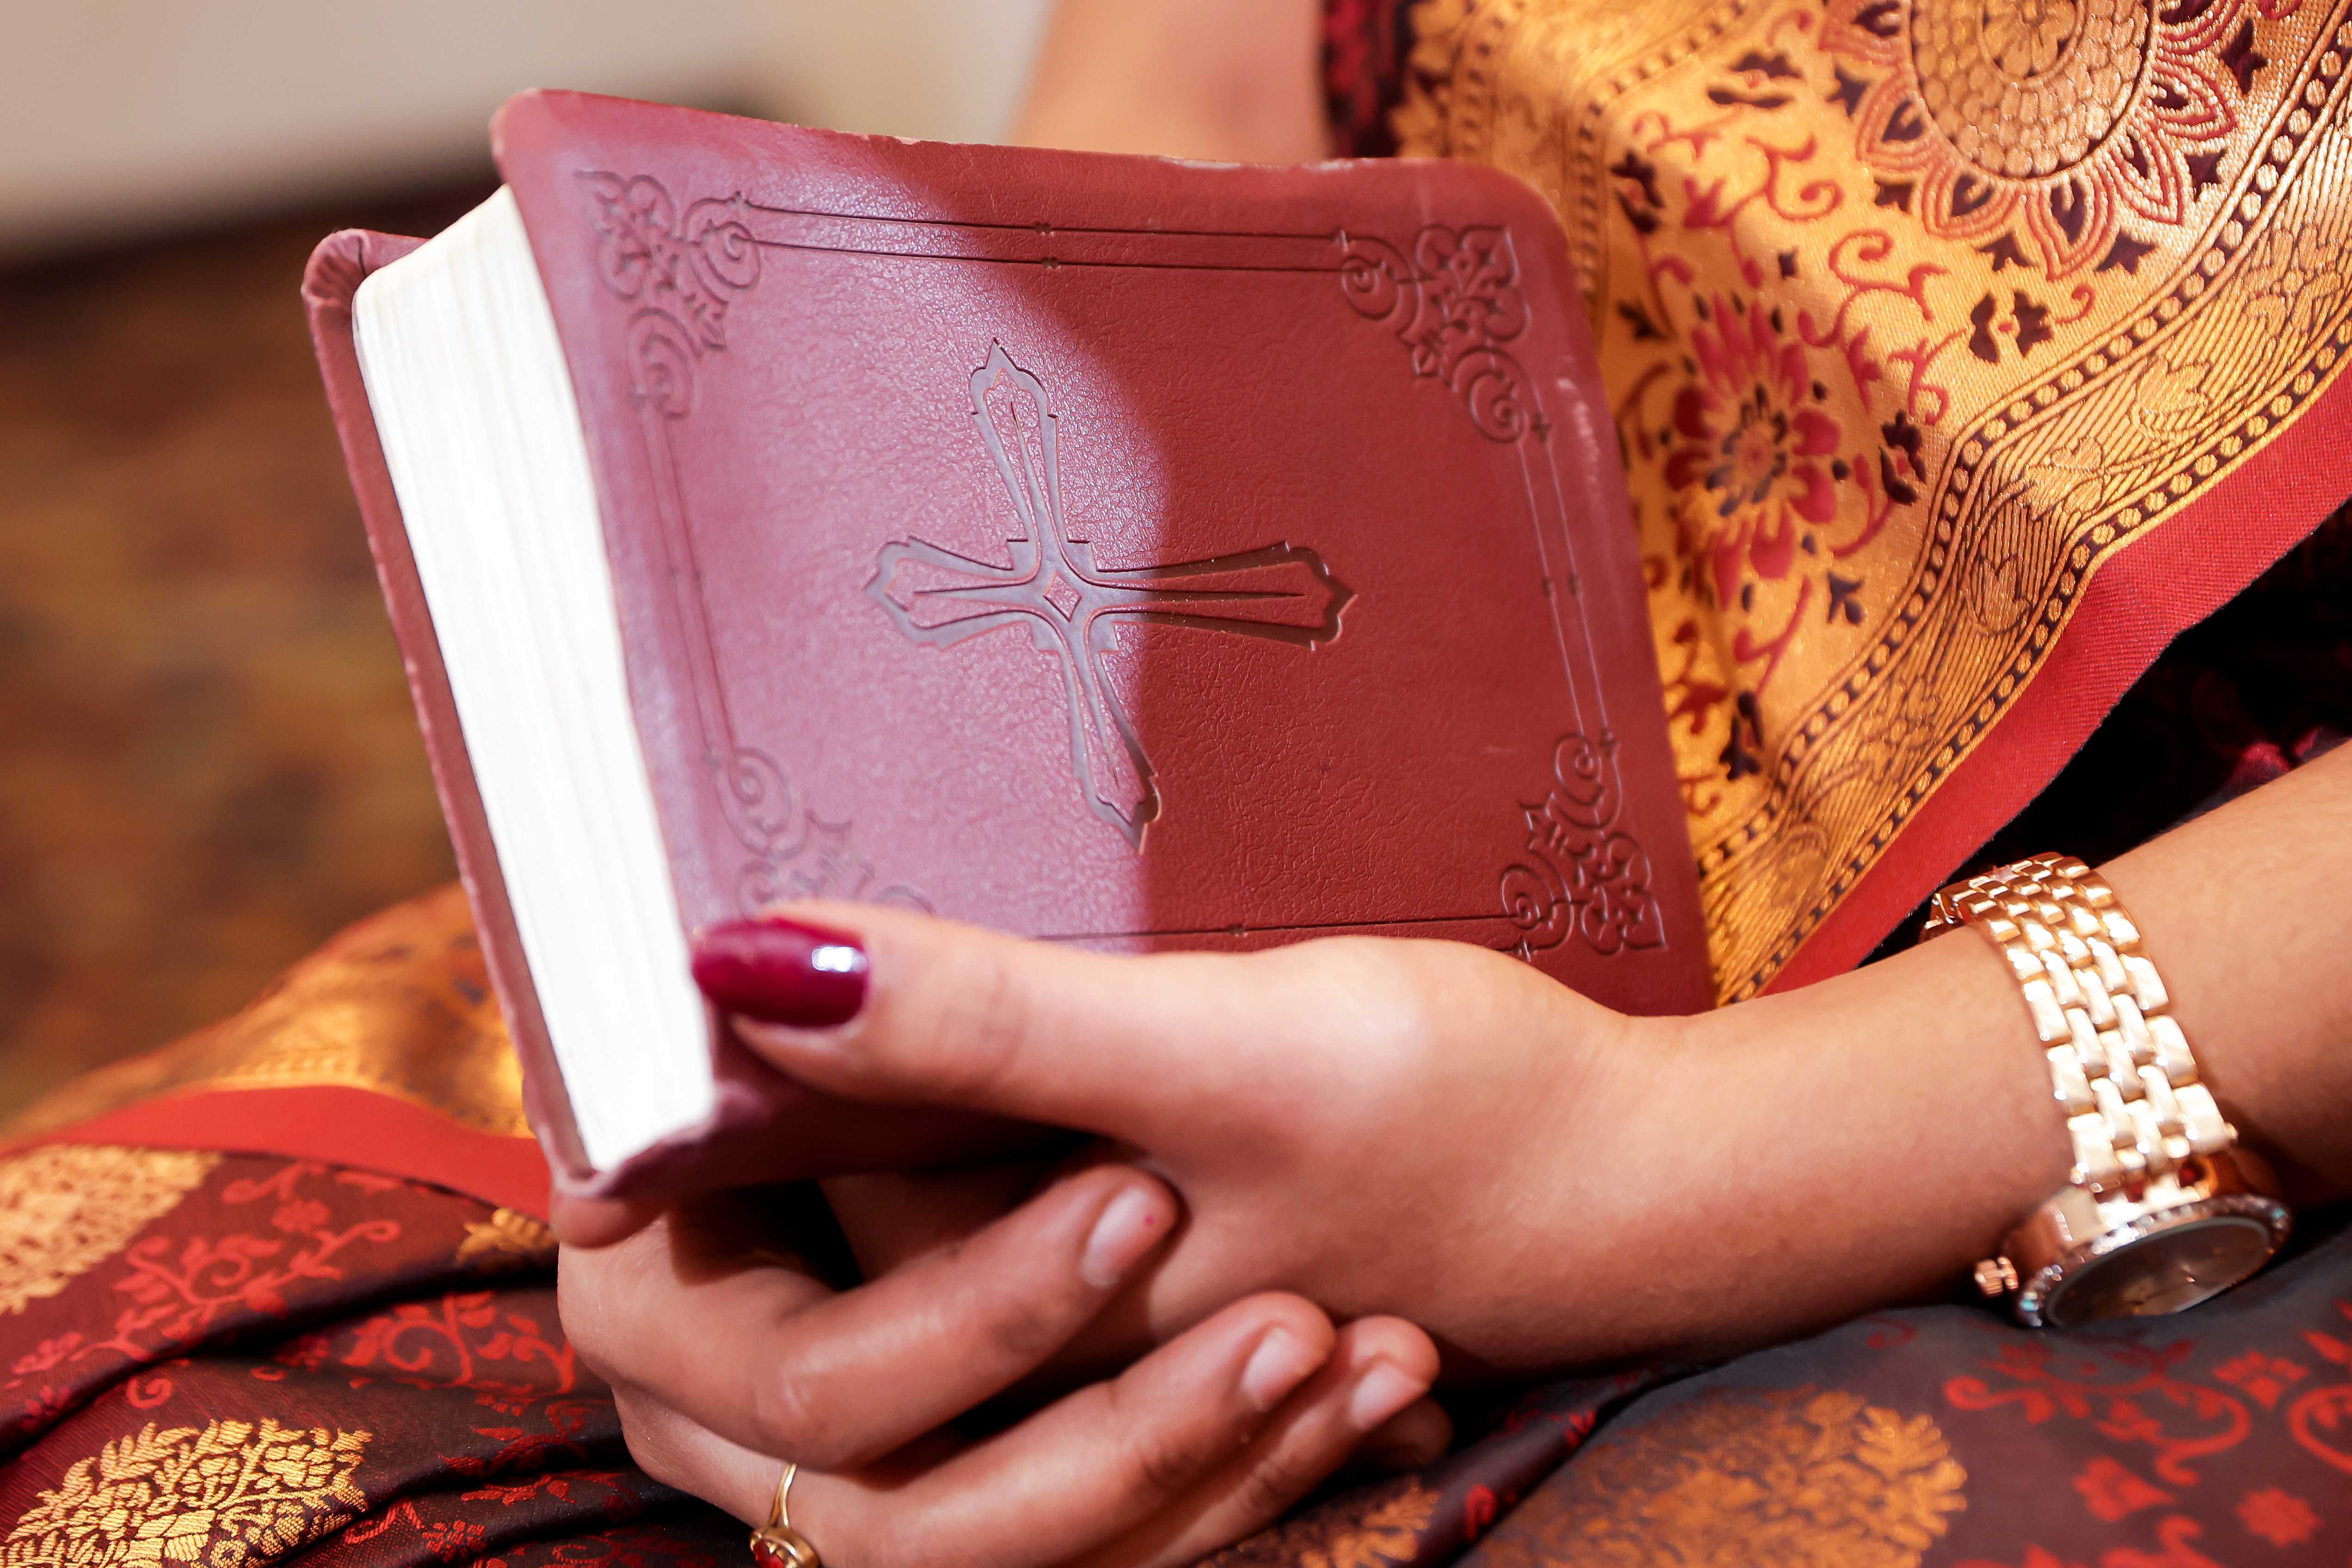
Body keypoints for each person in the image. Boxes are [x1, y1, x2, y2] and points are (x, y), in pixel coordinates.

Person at [2, 2, 2348, 1566]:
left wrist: (1675, 1172)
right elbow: (1194, 78)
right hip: (1334, 716)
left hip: (2212, 995)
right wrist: (859, 1037)